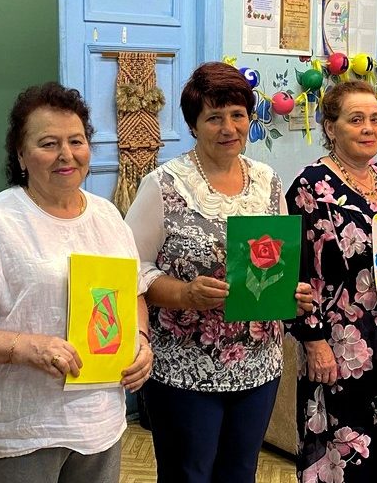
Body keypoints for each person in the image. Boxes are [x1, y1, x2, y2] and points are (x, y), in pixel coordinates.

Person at [0, 82, 153, 483]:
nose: (66, 154)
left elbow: (133, 292)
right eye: (48, 143)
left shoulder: (108, 217)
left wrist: (141, 339)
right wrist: (26, 347)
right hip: (23, 432)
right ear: (21, 154)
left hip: (100, 425)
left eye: (76, 141)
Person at [125, 62, 313, 483]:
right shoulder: (163, 184)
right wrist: (184, 294)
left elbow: (277, 260)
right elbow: (131, 269)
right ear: (193, 125)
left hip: (259, 365)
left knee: (240, 473)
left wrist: (291, 292)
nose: (228, 128)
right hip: (184, 368)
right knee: (188, 475)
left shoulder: (268, 181)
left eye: (237, 115)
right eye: (214, 117)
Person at [286, 79, 377, 483]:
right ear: (331, 128)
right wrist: (313, 342)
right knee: (347, 459)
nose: (369, 128)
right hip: (342, 348)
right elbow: (297, 273)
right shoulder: (311, 186)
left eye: (374, 119)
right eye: (355, 119)